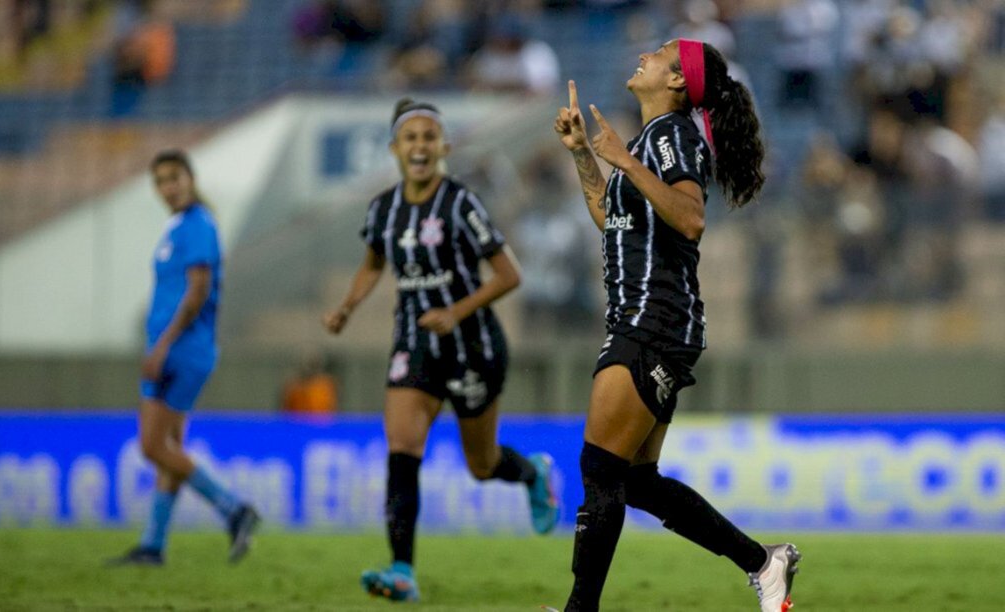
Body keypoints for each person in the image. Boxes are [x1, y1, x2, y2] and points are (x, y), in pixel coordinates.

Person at [551, 40, 800, 611]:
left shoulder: (671, 136)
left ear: (678, 83)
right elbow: (611, 220)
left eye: (659, 53)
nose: (642, 54)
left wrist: (624, 159)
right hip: (651, 320)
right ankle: (765, 563)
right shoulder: (647, 142)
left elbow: (690, 219)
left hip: (652, 320)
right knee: (636, 481)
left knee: (600, 468)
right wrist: (585, 156)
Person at [323, 98, 561, 603]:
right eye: (410, 138)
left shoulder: (460, 204)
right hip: (414, 342)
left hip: (472, 345)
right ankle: (403, 570)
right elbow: (372, 263)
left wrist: (456, 311)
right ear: (394, 149)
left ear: (444, 147)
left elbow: (509, 274)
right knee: (403, 448)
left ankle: (531, 473)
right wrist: (347, 305)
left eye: (429, 137)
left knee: (481, 465)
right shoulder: (382, 209)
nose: (419, 146)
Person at [108, 150, 260, 566]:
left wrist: (160, 347)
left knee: (153, 445)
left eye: (174, 178)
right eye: (160, 181)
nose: (168, 188)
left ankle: (234, 509)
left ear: (191, 178)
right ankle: (153, 544)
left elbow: (196, 293)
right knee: (170, 446)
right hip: (177, 348)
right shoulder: (179, 227)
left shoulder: (197, 226)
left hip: (181, 350)